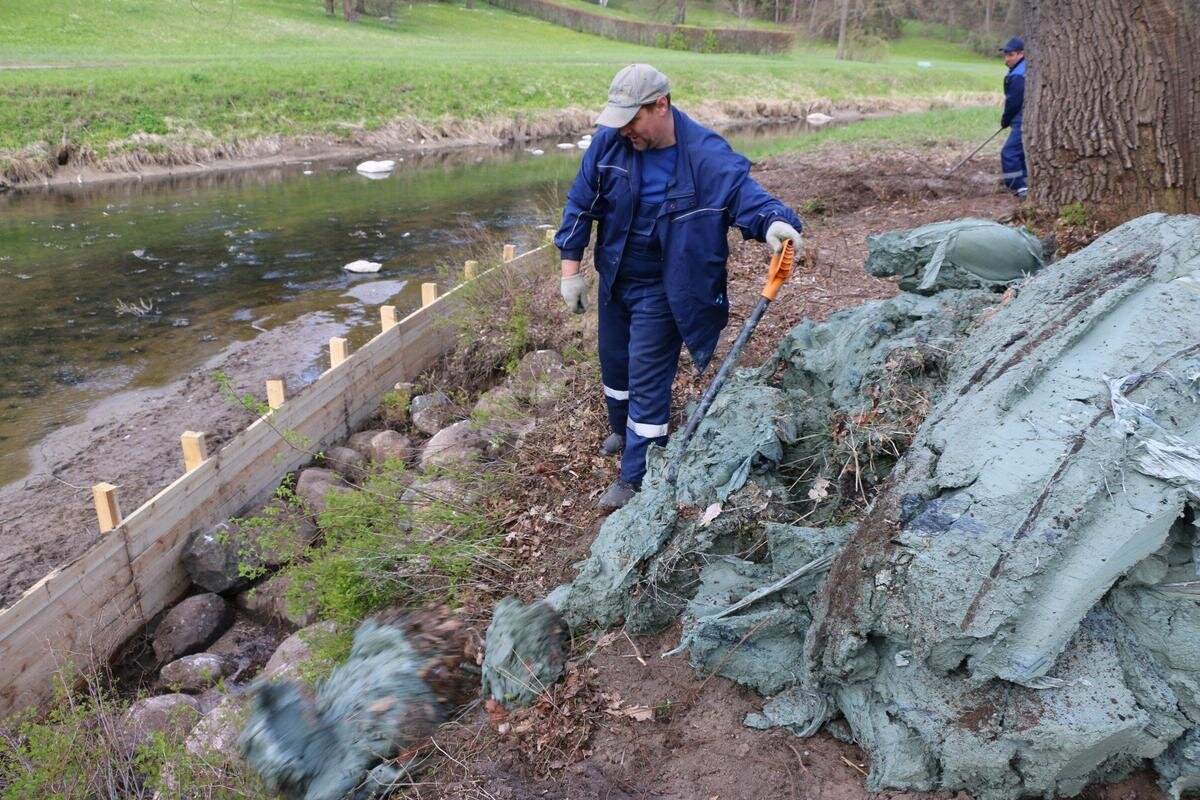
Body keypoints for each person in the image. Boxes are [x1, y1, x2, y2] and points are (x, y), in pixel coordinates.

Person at [553, 64, 803, 511]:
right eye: (619, 119)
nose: (624, 128)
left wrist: (775, 224)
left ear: (661, 105)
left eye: (632, 119)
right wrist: (570, 270)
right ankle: (620, 429)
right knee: (615, 366)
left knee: (647, 377)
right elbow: (580, 203)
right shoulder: (611, 142)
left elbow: (748, 197)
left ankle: (637, 475)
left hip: (668, 286)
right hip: (616, 276)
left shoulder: (705, 155)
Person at [999, 36, 1027, 198]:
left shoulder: (1018, 75)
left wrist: (1005, 119)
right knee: (1021, 152)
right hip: (1023, 119)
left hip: (1022, 119)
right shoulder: (1025, 69)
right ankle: (1026, 183)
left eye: (1010, 55)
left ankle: (1017, 187)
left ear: (1021, 54)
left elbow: (1013, 102)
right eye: (1006, 55)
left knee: (1009, 152)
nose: (1007, 59)